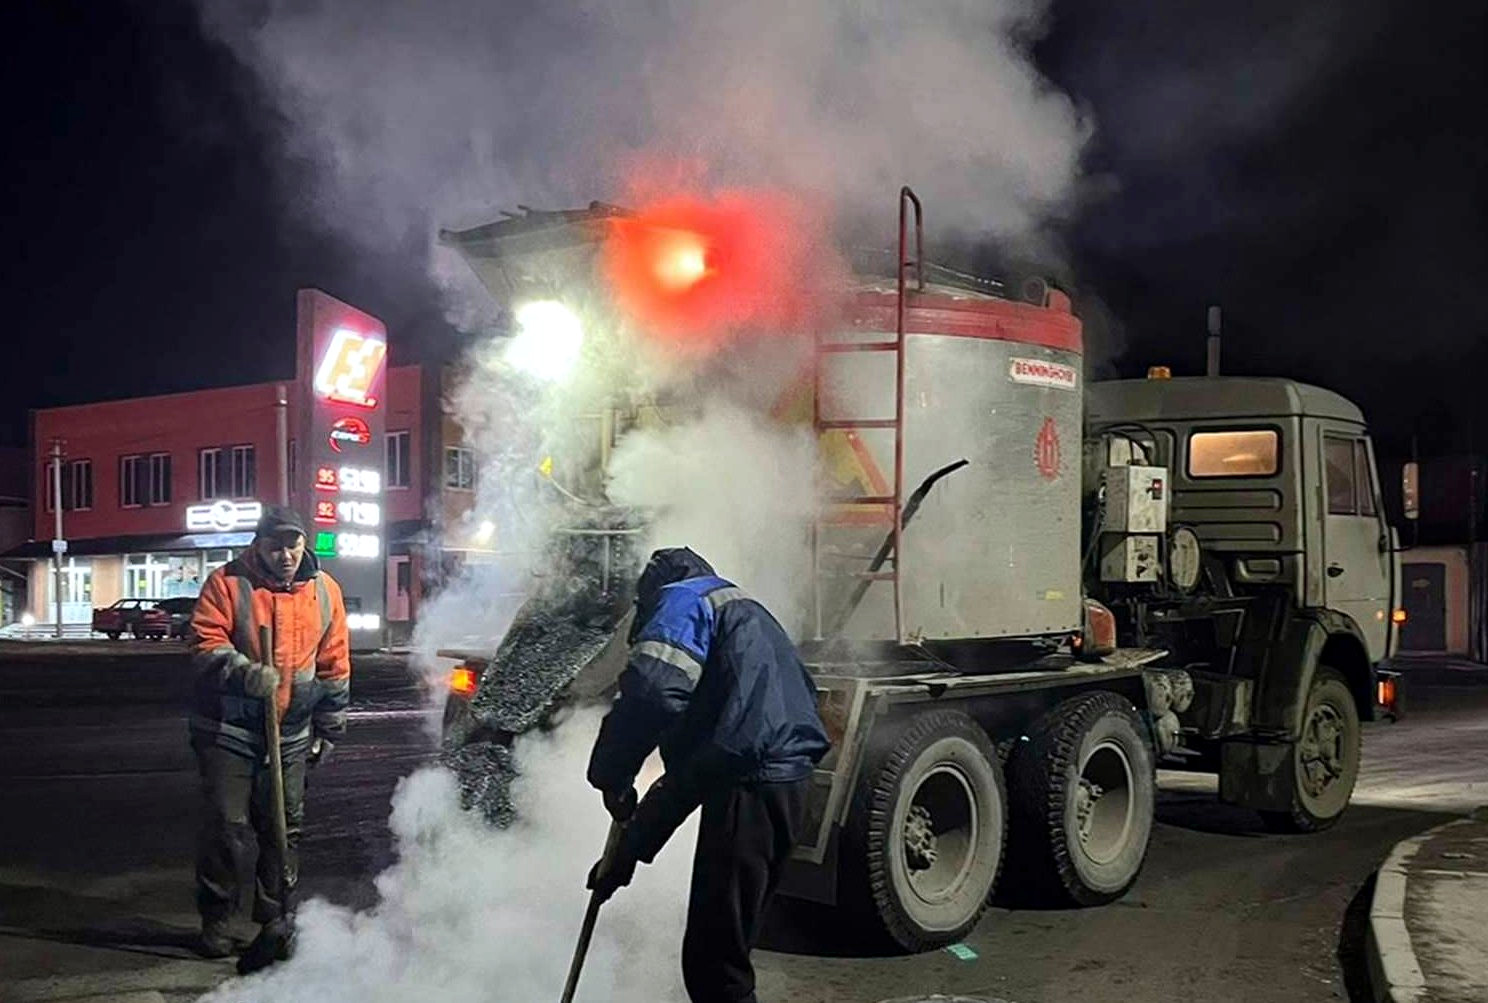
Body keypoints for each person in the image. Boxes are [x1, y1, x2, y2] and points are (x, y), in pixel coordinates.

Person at [586, 548, 830, 1003]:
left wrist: (612, 773)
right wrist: (629, 851)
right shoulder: (747, 611)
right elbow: (692, 776)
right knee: (726, 947)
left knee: (715, 965)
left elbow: (653, 694)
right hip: (787, 783)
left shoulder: (682, 600)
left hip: (749, 786)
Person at [187, 505, 350, 971]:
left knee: (283, 830)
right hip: (229, 731)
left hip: (292, 732)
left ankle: (273, 921)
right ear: (259, 544)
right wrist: (242, 672)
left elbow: (334, 662)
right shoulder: (228, 583)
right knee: (226, 827)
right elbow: (204, 642)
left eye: (293, 545)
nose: (285, 555)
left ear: (304, 544)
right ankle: (217, 921)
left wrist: (330, 725)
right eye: (276, 545)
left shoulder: (324, 591)